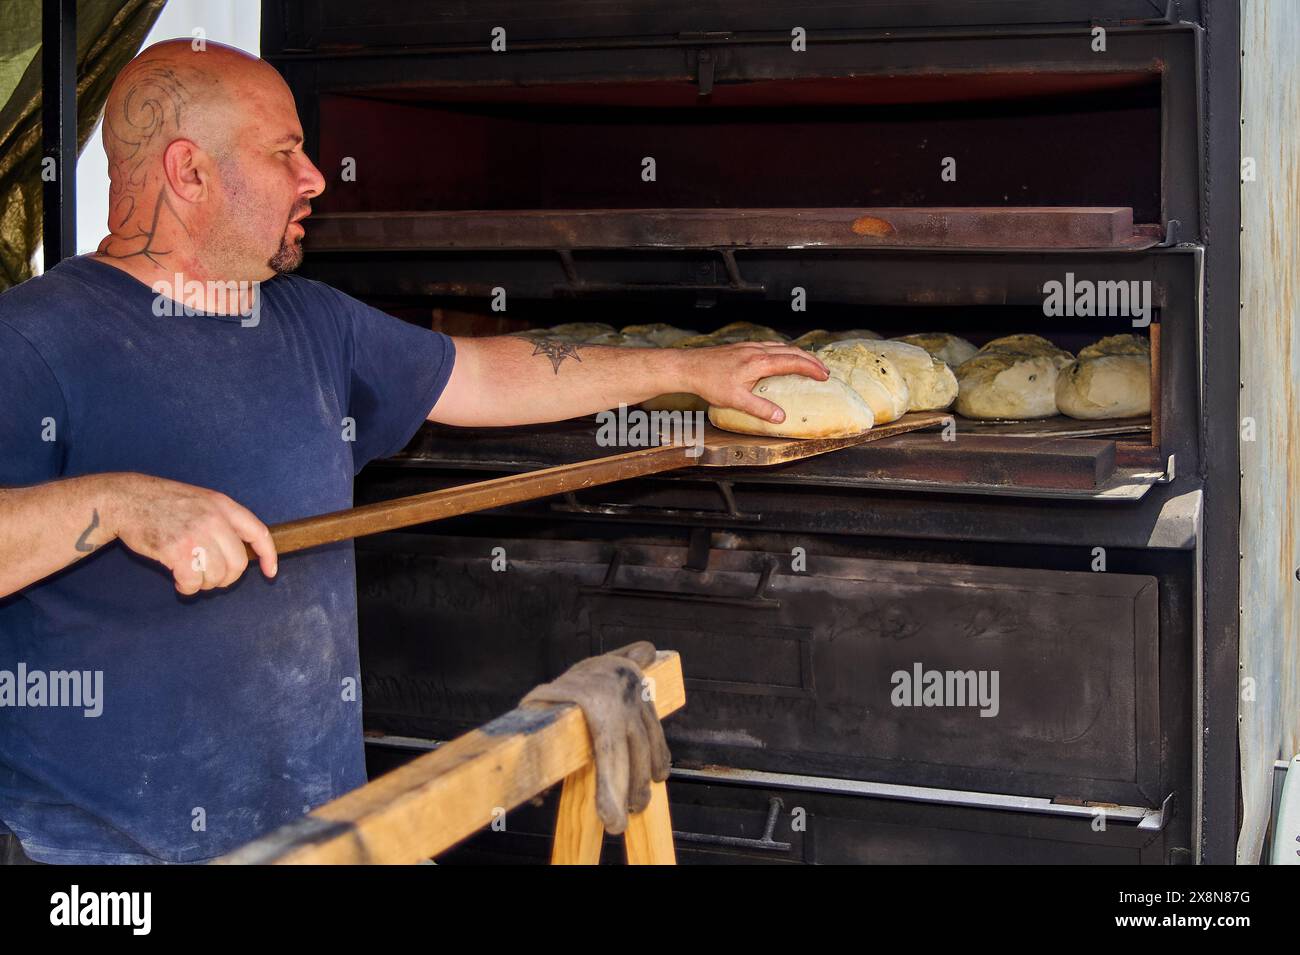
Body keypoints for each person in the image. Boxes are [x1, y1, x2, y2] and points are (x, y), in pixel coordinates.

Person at [0, 39, 827, 863]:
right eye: (286, 152)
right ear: (189, 173)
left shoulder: (309, 320)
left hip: (325, 839)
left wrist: (684, 369)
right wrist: (115, 503)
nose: (316, 176)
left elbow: (483, 373)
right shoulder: (34, 340)